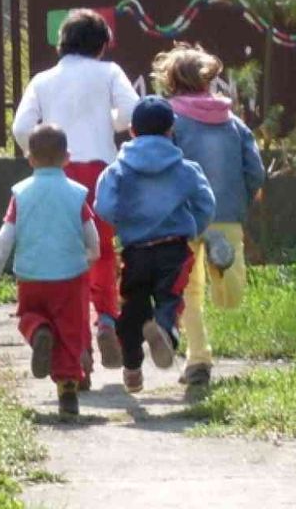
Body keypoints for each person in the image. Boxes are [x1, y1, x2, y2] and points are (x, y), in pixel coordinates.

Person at [11, 8, 139, 381]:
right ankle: (107, 320)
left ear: (61, 43)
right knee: (99, 251)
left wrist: (37, 157)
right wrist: (109, 122)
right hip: (101, 172)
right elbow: (131, 112)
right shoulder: (109, 72)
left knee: (67, 264)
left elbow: (21, 126)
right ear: (102, 46)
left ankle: (78, 351)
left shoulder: (43, 79)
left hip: (58, 173)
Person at [152, 45, 265, 386]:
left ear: (170, 81)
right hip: (227, 212)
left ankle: (199, 360)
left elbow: (162, 164)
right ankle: (222, 266)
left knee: (189, 293)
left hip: (182, 217)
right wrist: (246, 195)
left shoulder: (169, 120)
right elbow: (255, 170)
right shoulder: (233, 122)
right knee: (229, 297)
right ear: (210, 80)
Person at [0, 124, 100, 420]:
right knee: (70, 331)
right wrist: (91, 255)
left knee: (28, 315)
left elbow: (6, 235)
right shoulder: (76, 194)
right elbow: (91, 234)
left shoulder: (20, 194)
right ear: (67, 158)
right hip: (70, 276)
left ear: (29, 159)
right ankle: (68, 391)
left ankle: (38, 332)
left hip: (31, 276)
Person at [95, 96, 215, 394]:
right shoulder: (185, 168)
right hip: (173, 248)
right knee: (170, 299)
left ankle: (132, 367)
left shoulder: (118, 170)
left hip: (136, 251)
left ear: (132, 131)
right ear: (170, 131)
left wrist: (125, 222)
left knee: (132, 309)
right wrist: (194, 228)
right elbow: (206, 204)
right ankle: (164, 330)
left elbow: (104, 206)